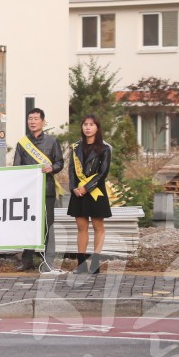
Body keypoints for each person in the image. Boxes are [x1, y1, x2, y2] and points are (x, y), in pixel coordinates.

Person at [12, 107, 64, 271]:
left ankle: (48, 261)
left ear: (43, 121)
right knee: (28, 225)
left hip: (47, 189)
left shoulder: (52, 142)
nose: (32, 122)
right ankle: (27, 261)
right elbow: (16, 167)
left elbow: (60, 163)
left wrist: (51, 168)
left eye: (35, 118)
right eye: (30, 119)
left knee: (48, 226)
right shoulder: (22, 143)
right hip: (28, 191)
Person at [67, 114, 112, 274]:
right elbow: (71, 171)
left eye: (91, 124)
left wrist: (87, 187)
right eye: (85, 124)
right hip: (78, 193)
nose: (87, 127)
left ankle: (95, 263)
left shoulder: (105, 149)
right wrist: (73, 188)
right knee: (81, 227)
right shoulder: (75, 147)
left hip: (95, 192)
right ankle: (81, 265)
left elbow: (103, 173)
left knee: (98, 226)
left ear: (97, 128)